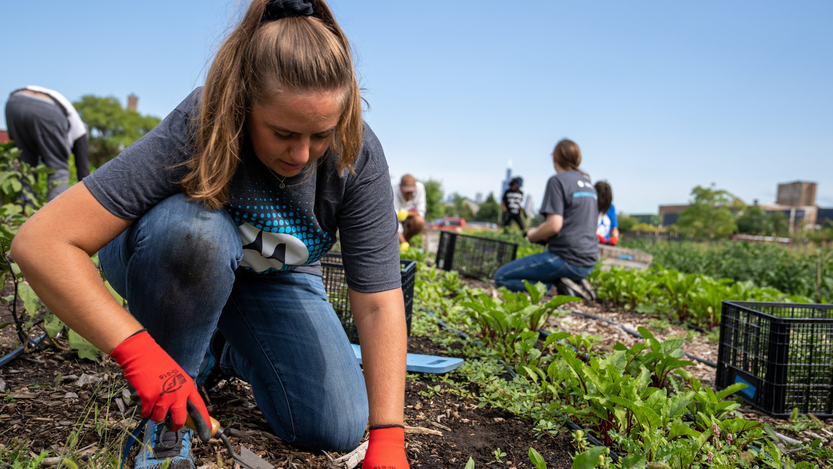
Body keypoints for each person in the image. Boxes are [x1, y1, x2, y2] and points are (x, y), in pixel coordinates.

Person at [10, 2, 409, 469]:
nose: (302, 154)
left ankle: (219, 349)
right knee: (194, 232)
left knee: (333, 425)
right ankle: (164, 421)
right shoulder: (202, 122)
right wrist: (139, 354)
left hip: (270, 275)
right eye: (282, 132)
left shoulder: (355, 154)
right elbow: (40, 242)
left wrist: (388, 438)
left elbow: (380, 300)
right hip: (171, 253)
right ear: (243, 103)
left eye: (319, 135)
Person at [494, 139, 598, 299]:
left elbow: (554, 225)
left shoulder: (558, 181)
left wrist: (533, 235)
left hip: (565, 259)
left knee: (501, 277)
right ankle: (573, 281)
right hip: (588, 261)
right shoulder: (588, 184)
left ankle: (557, 288)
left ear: (554, 158)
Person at [5, 86, 90, 202]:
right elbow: (83, 172)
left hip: (14, 103)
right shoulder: (80, 133)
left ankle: (25, 214)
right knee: (59, 169)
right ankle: (53, 217)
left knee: (26, 166)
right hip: (46, 109)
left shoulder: (70, 121)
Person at [393, 174, 425, 250]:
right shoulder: (395, 192)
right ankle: (403, 242)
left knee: (419, 221)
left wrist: (407, 213)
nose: (409, 195)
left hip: (411, 220)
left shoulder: (420, 188)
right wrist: (402, 242)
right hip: (399, 221)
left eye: (411, 192)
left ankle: (407, 241)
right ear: (400, 188)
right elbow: (394, 221)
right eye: (406, 192)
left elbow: (421, 212)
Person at [595, 181, 619, 246]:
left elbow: (614, 229)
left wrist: (615, 238)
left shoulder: (611, 208)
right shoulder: (590, 206)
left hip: (604, 246)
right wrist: (594, 236)